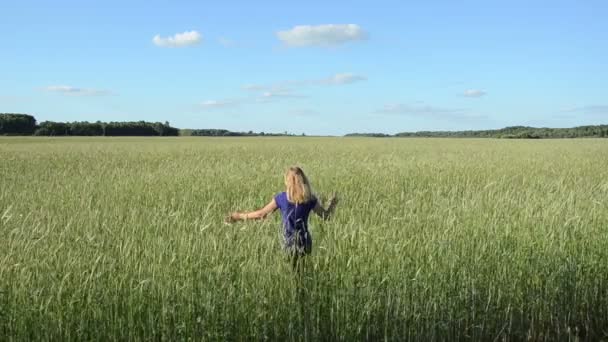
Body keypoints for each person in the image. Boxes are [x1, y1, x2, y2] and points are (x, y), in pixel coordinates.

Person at [225, 166, 338, 269]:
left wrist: (239, 216)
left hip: (288, 242)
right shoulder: (310, 199)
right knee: (303, 272)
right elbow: (326, 216)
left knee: (290, 272)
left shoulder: (282, 198)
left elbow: (261, 214)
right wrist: (333, 204)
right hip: (305, 242)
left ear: (287, 181)